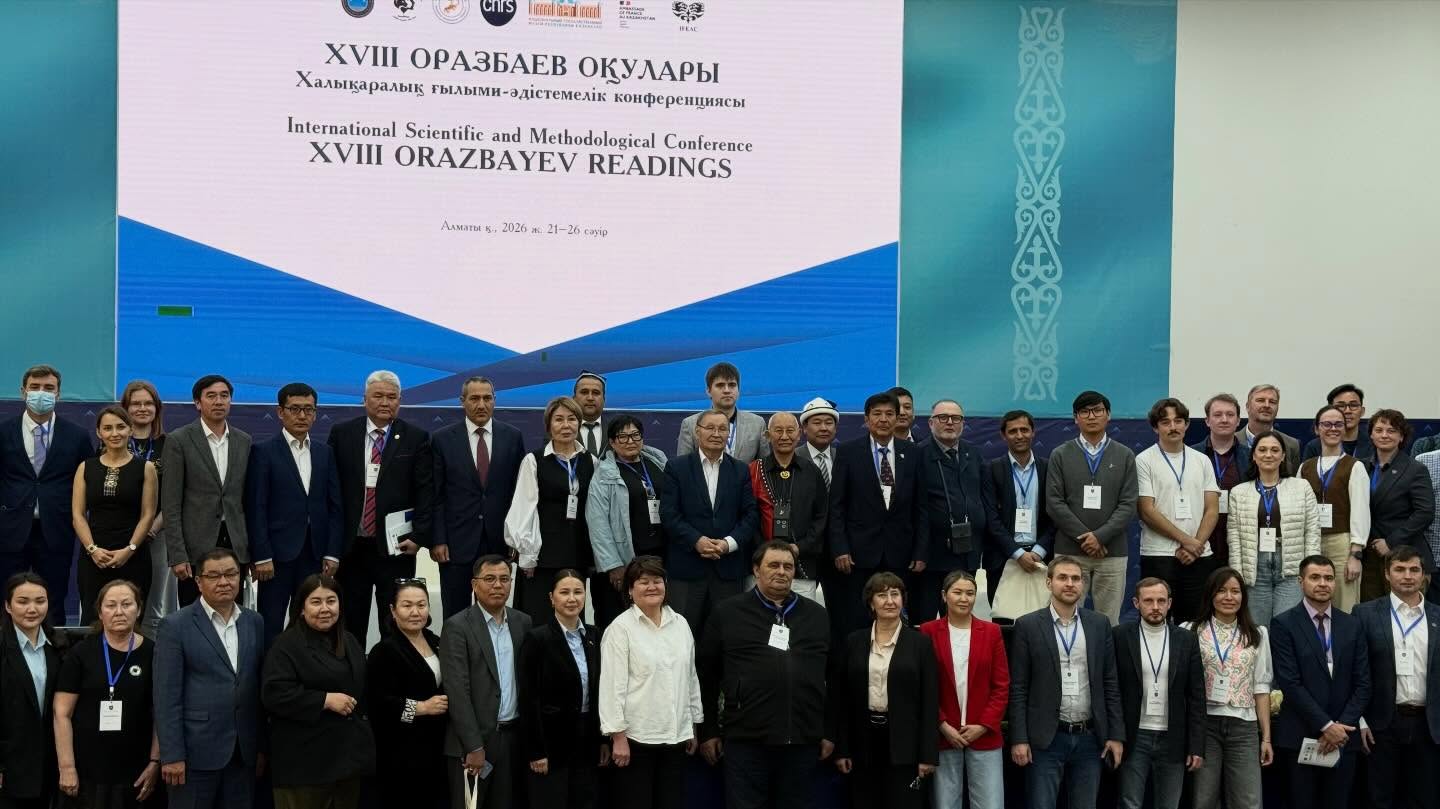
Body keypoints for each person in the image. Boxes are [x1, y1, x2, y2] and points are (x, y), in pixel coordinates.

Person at [697, 542, 832, 809]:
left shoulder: (817, 616)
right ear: (756, 570)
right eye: (773, 565)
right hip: (746, 741)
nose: (781, 571)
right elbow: (706, 676)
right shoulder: (727, 613)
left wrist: (829, 731)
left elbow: (834, 676)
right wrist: (708, 731)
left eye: (788, 566)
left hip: (802, 741)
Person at [1008, 556, 1124, 809]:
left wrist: (1115, 735)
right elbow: (1018, 688)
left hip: (1090, 738)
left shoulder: (1099, 624)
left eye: (1075, 578)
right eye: (1062, 578)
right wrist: (1019, 738)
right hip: (1046, 739)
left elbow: (1110, 683)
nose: (1070, 583)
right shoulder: (1027, 625)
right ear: (1049, 583)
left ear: (1083, 584)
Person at [328, 369, 435, 644]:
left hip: (396, 548)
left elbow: (425, 492)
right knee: (351, 622)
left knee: (394, 622)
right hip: (351, 547)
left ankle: (391, 672)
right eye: (378, 396)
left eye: (392, 397)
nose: (385, 402)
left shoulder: (416, 437)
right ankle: (353, 671)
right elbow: (330, 490)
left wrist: (419, 537)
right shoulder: (342, 434)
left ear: (400, 401)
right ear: (364, 399)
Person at [153, 548, 265, 809]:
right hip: (194, 755)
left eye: (231, 574)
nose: (224, 582)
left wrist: (260, 746)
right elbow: (166, 697)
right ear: (198, 582)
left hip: (243, 753)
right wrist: (172, 755)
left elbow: (257, 688)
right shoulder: (175, 626)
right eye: (214, 576)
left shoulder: (254, 621)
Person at [261, 574, 375, 809]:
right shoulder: (285, 645)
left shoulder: (350, 641)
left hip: (347, 763)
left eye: (331, 601)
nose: (325, 609)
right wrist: (324, 700)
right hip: (304, 766)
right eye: (316, 602)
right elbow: (274, 695)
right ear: (302, 609)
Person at [599, 556, 703, 809]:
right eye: (643, 582)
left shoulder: (680, 624)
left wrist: (692, 725)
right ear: (630, 590)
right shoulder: (620, 629)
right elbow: (612, 687)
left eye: (657, 580)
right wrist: (618, 736)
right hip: (636, 740)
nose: (652, 587)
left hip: (676, 736)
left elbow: (690, 677)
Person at [246, 383, 344, 646]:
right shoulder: (263, 451)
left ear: (315, 413)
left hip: (315, 553)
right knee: (271, 623)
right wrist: (262, 555)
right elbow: (256, 507)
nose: (302, 416)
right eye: (295, 409)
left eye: (308, 410)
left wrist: (332, 552)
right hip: (276, 557)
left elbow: (335, 506)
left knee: (310, 622)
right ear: (280, 412)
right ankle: (271, 671)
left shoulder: (324, 452)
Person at [1269, 555, 1370, 809]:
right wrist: (1326, 725)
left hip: (1344, 737)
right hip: (1300, 735)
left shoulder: (1352, 624)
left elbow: (1363, 683)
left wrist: (1340, 727)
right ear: (1300, 581)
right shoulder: (1283, 624)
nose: (1323, 583)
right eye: (1315, 577)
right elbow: (1290, 683)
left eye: (1328, 578)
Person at [831, 572, 937, 809]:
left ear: (903, 600)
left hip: (905, 746)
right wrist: (842, 749)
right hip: (862, 744)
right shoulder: (853, 642)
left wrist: (927, 755)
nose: (890, 601)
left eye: (895, 594)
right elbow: (842, 700)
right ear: (871, 603)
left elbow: (930, 702)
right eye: (882, 595)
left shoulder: (920, 643)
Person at [54, 579, 161, 807]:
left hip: (136, 771)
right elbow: (61, 713)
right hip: (86, 771)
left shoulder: (154, 653)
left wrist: (155, 762)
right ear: (100, 612)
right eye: (111, 605)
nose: (119, 612)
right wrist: (67, 767)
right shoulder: (80, 653)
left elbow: (161, 713)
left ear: (139, 610)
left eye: (127, 604)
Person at [828, 391, 927, 637]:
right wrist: (840, 548)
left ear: (897, 418)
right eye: (877, 414)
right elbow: (837, 506)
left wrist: (920, 551)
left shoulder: (913, 453)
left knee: (897, 619)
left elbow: (921, 507)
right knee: (858, 621)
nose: (883, 419)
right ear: (866, 419)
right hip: (858, 554)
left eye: (889, 414)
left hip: (901, 553)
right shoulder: (848, 452)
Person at [0, 365, 94, 615]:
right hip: (10, 532)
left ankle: (53, 642)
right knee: (8, 600)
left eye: (48, 388)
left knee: (54, 601)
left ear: (58, 394)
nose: (41, 393)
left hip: (56, 530)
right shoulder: (3, 432)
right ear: (23, 392)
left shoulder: (77, 436)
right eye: (35, 387)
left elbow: (87, 483)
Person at [441, 555, 533, 809]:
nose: (497, 585)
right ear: (474, 584)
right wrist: (474, 745)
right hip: (473, 742)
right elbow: (457, 691)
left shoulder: (523, 622)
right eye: (489, 579)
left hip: (512, 737)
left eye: (504, 579)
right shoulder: (457, 626)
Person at [431, 377, 526, 618]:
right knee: (455, 613)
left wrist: (516, 539)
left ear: (494, 401)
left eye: (487, 398)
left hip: (499, 541)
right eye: (474, 398)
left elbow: (520, 494)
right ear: (462, 401)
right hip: (456, 544)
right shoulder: (442, 439)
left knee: (495, 611)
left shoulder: (512, 436)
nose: (481, 404)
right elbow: (436, 495)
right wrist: (438, 539)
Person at [659, 410, 758, 638]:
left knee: (727, 636)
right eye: (710, 428)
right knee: (683, 637)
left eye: (722, 429)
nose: (716, 433)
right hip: (687, 568)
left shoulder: (740, 469)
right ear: (697, 431)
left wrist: (728, 544)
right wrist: (696, 541)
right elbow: (669, 514)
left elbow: (750, 515)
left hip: (728, 570)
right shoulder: (677, 468)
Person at [1355, 546, 1440, 809]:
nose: (1407, 576)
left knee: (1425, 800)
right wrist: (1359, 720)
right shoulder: (1364, 614)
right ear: (1387, 574)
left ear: (1424, 575)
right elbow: (1355, 672)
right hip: (1381, 724)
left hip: (1429, 726)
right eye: (1400, 569)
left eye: (1414, 569)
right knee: (1378, 799)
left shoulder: (1438, 616)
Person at [1043, 390, 1137, 625]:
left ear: (1108, 415)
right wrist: (1087, 538)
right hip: (1070, 551)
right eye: (1085, 412)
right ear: (1076, 418)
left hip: (1112, 551)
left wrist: (1100, 537)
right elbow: (1054, 503)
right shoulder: (1060, 454)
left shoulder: (1125, 455)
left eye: (1097, 410)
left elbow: (1128, 504)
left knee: (1109, 622)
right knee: (1064, 619)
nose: (1092, 416)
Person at [1112, 578, 1206, 809]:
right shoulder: (1119, 636)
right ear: (1136, 603)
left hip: (1173, 737)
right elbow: (1112, 690)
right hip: (1135, 735)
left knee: (1169, 804)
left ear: (1169, 603)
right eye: (1148, 601)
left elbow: (1196, 697)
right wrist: (1115, 734)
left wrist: (1196, 745)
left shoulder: (1186, 639)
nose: (1155, 607)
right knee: (1129, 803)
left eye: (1161, 601)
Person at [918, 571, 1008, 809]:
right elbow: (923, 686)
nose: (964, 598)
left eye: (970, 593)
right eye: (957, 592)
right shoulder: (927, 631)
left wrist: (984, 725)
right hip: (944, 735)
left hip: (984, 734)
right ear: (944, 595)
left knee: (990, 804)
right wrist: (942, 724)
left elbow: (1001, 686)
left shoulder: (991, 632)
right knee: (945, 804)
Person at [161, 375, 252, 608]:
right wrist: (177, 555)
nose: (218, 401)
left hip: (235, 542)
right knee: (194, 614)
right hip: (195, 547)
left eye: (224, 396)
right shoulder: (179, 440)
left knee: (233, 611)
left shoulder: (244, 440)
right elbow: (171, 504)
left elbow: (249, 499)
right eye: (211, 396)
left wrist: (252, 551)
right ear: (197, 403)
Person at [1187, 566, 1275, 809]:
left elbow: (1261, 687)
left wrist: (1266, 737)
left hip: (1243, 726)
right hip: (1204, 725)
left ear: (1243, 597)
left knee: (1248, 801)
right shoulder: (1191, 630)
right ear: (1210, 595)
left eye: (1235, 591)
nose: (1229, 597)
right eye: (1222, 591)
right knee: (1203, 799)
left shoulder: (1257, 634)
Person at [518, 570, 606, 809]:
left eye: (578, 592)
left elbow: (600, 693)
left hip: (587, 741)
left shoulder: (595, 636)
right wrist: (536, 751)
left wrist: (602, 740)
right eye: (564, 592)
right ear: (551, 598)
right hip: (551, 745)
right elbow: (528, 699)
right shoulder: (537, 639)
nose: (572, 598)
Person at [505, 397, 595, 622]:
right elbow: (523, 508)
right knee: (539, 618)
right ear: (548, 425)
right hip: (542, 558)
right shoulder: (534, 460)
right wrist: (528, 555)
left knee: (572, 617)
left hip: (577, 554)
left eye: (571, 419)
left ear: (579, 423)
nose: (566, 425)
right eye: (559, 419)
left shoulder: (591, 461)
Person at [1134, 397, 1220, 624]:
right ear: (1156, 428)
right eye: (1165, 422)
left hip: (1199, 555)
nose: (1173, 427)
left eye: (1178, 421)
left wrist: (1195, 545)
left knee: (1194, 623)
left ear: (1187, 424)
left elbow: (1212, 509)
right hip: (1159, 554)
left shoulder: (1202, 460)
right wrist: (1187, 541)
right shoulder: (1144, 460)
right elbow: (1147, 511)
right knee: (1155, 621)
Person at [366, 579, 449, 809]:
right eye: (407, 605)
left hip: (437, 748)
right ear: (393, 610)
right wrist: (421, 708)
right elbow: (377, 705)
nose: (415, 612)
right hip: (400, 753)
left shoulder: (436, 641)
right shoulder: (384, 650)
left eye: (421, 605)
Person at [72, 407, 158, 624]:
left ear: (130, 430)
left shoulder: (146, 468)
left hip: (134, 556)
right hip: (94, 557)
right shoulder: (85, 467)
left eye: (120, 427)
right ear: (99, 432)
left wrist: (130, 549)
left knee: (131, 619)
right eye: (108, 428)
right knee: (92, 620)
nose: (115, 433)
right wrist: (92, 549)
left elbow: (148, 515)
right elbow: (78, 515)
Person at [586, 416, 668, 634]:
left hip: (661, 555)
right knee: (620, 623)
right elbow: (598, 524)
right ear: (612, 442)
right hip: (625, 560)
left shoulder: (658, 462)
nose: (630, 441)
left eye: (635, 435)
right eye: (622, 437)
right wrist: (613, 565)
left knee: (657, 619)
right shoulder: (603, 474)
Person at [1228, 432, 1320, 625]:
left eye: (1274, 450)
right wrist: (1237, 574)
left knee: (1286, 627)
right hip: (1254, 569)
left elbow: (1312, 530)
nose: (1268, 455)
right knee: (1257, 629)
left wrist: (1311, 569)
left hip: (1291, 568)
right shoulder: (1239, 492)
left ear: (1283, 456)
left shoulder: (1302, 487)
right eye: (1262, 450)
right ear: (1254, 456)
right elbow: (1234, 537)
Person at [916, 399, 992, 622]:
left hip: (967, 552)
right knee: (925, 621)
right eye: (943, 417)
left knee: (959, 619)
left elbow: (984, 497)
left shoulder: (973, 453)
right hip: (930, 557)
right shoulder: (918, 454)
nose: (950, 422)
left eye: (956, 418)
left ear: (963, 423)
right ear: (931, 423)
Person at [747, 412, 828, 602]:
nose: (785, 436)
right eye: (778, 431)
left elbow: (821, 517)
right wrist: (765, 549)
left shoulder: (811, 471)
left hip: (801, 566)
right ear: (768, 436)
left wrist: (800, 547)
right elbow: (747, 516)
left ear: (799, 434)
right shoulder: (754, 471)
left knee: (801, 618)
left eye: (790, 430)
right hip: (761, 565)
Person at [1298, 404, 1371, 612]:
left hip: (1342, 543)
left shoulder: (1355, 466)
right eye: (1326, 424)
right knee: (1310, 604)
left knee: (1344, 605)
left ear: (1345, 429)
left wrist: (1355, 554)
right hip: (1310, 542)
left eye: (1338, 424)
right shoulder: (1305, 467)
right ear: (1317, 429)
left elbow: (1360, 512)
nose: (1333, 428)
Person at [0, 573, 60, 809]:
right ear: (8, 606)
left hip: (49, 765)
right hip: (10, 764)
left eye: (40, 601)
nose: (32, 609)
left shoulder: (60, 645)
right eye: (23, 601)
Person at [1362, 409, 1435, 602]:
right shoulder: (1360, 467)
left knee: (1407, 613)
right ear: (1371, 434)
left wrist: (1391, 542)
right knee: (1371, 615)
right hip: (1369, 559)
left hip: (1406, 555)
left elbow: (1425, 513)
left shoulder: (1415, 469)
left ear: (1401, 436)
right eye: (1379, 430)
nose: (1384, 435)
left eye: (1392, 430)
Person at [121, 380, 176, 637]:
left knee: (154, 607)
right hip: (120, 534)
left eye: (148, 403)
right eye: (136, 404)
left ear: (157, 408)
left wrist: (152, 527)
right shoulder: (111, 442)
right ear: (125, 408)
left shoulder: (171, 444)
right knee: (121, 600)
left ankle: (151, 657)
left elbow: (175, 493)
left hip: (158, 534)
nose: (142, 408)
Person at [984, 410, 1054, 606]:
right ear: (1003, 435)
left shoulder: (1049, 468)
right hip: (1002, 559)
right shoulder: (991, 469)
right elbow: (990, 518)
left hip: (1041, 558)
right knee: (1003, 619)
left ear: (1033, 432)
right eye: (1013, 431)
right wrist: (1017, 553)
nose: (1019, 435)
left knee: (1041, 619)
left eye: (1024, 430)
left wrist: (1039, 551)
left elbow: (1056, 515)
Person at [1191, 393, 1250, 568]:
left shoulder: (1251, 457)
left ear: (1238, 421)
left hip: (1239, 538)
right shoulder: (1191, 455)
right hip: (1198, 539)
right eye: (1217, 415)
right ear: (1207, 421)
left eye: (1230, 415)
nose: (1224, 419)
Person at [674, 363, 768, 462]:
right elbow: (682, 466)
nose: (727, 390)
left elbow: (764, 466)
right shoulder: (690, 424)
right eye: (720, 385)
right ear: (708, 391)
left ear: (738, 390)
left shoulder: (757, 424)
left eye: (732, 385)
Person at [1238, 384, 1301, 474]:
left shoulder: (1291, 445)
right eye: (1260, 400)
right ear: (1248, 406)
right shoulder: (1232, 441)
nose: (1267, 405)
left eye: (1272, 402)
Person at [1303, 383, 1373, 462]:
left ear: (1362, 411)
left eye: (1353, 405)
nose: (1347, 411)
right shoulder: (1315, 446)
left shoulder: (1373, 443)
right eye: (1341, 406)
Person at [798, 397, 839, 488]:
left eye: (828, 423)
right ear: (805, 427)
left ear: (835, 428)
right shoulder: (793, 457)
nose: (823, 428)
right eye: (817, 423)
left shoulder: (842, 457)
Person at [574, 372, 608, 459]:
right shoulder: (560, 431)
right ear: (574, 398)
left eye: (596, 393)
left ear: (604, 399)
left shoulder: (615, 430)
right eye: (584, 392)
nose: (590, 398)